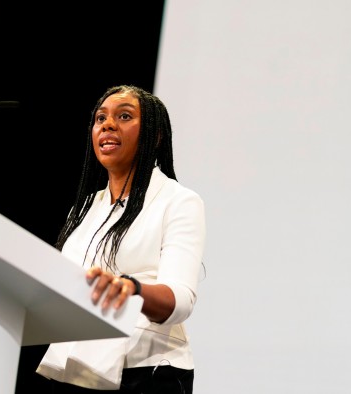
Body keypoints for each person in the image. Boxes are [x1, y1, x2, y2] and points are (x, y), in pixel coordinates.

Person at [35, 85, 206, 393]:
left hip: (147, 372)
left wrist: (132, 289)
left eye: (124, 116)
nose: (108, 125)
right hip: (76, 370)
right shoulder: (85, 208)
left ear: (155, 136)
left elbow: (179, 301)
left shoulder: (178, 201)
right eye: (100, 118)